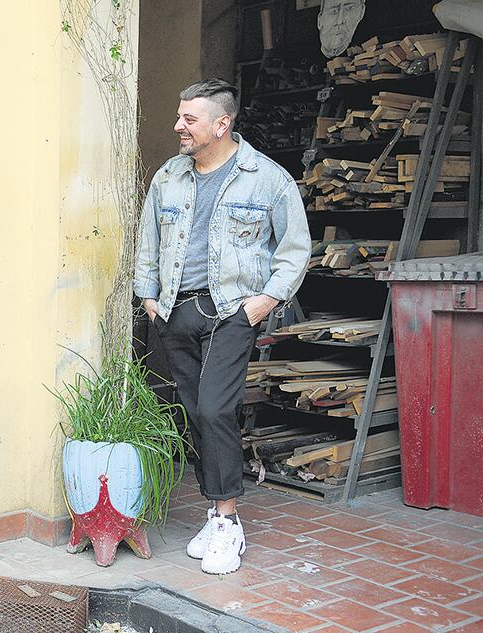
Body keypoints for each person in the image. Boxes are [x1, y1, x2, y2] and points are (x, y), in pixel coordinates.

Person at [134, 79, 310, 575]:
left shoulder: (268, 179)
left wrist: (266, 301)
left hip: (233, 311)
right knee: (194, 415)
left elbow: (295, 249)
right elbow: (148, 240)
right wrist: (147, 297)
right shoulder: (168, 177)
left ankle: (229, 521)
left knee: (215, 409)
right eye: (179, 115)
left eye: (188, 119)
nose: (178, 126)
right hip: (174, 311)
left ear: (221, 124)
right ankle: (215, 514)